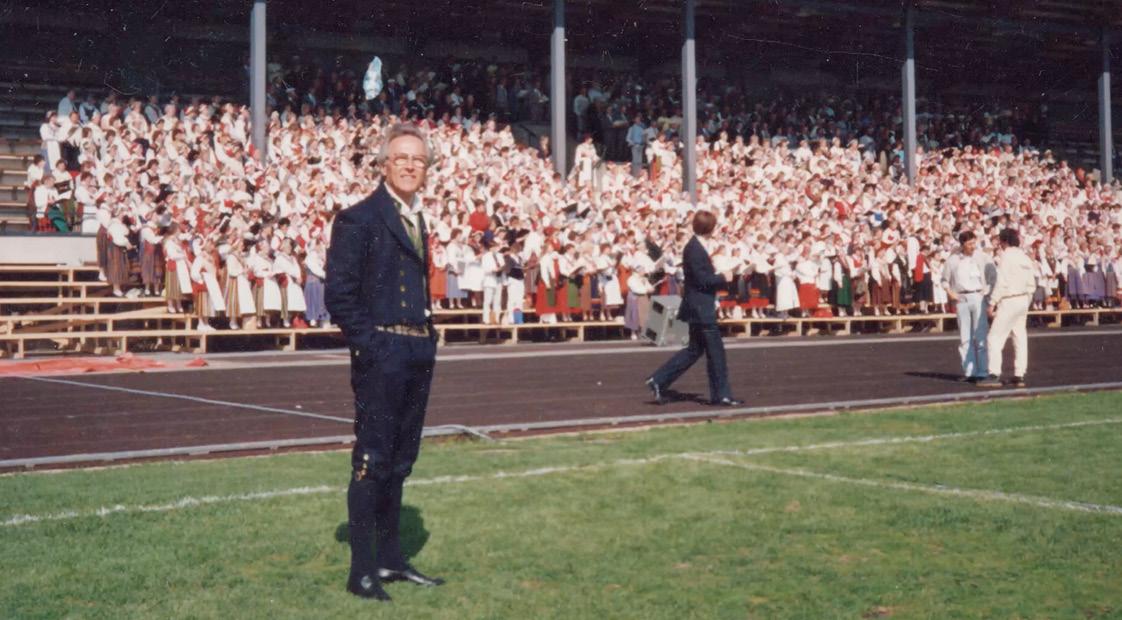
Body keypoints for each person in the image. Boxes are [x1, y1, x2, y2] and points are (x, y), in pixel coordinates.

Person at [325, 122, 444, 602]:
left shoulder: (418, 218)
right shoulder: (359, 218)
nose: (411, 166)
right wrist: (370, 346)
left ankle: (392, 560)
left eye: (419, 159)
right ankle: (362, 571)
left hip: (417, 350)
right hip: (384, 353)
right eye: (402, 158)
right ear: (383, 164)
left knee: (400, 464)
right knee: (372, 461)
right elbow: (340, 294)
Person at [645, 210, 744, 407]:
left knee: (694, 350)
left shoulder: (695, 246)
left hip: (697, 306)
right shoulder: (695, 248)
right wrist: (723, 277)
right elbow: (702, 280)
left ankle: (659, 380)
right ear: (711, 228)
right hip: (701, 307)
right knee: (716, 352)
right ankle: (721, 395)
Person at [978, 228, 1036, 388]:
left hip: (1010, 300)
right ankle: (1019, 374)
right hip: (1023, 299)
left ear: (1004, 242)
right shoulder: (1024, 257)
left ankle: (994, 373)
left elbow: (1002, 282)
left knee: (994, 337)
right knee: (1019, 337)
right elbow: (1032, 284)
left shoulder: (1006, 256)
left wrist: (992, 303)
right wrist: (1026, 301)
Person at [941, 231, 990, 382]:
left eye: (974, 243)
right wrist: (951, 293)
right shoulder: (953, 260)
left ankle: (983, 371)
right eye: (969, 244)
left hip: (977, 296)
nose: (972, 246)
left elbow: (991, 275)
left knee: (980, 336)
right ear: (962, 244)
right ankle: (969, 372)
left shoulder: (981, 257)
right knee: (965, 337)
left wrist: (985, 292)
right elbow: (944, 280)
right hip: (961, 298)